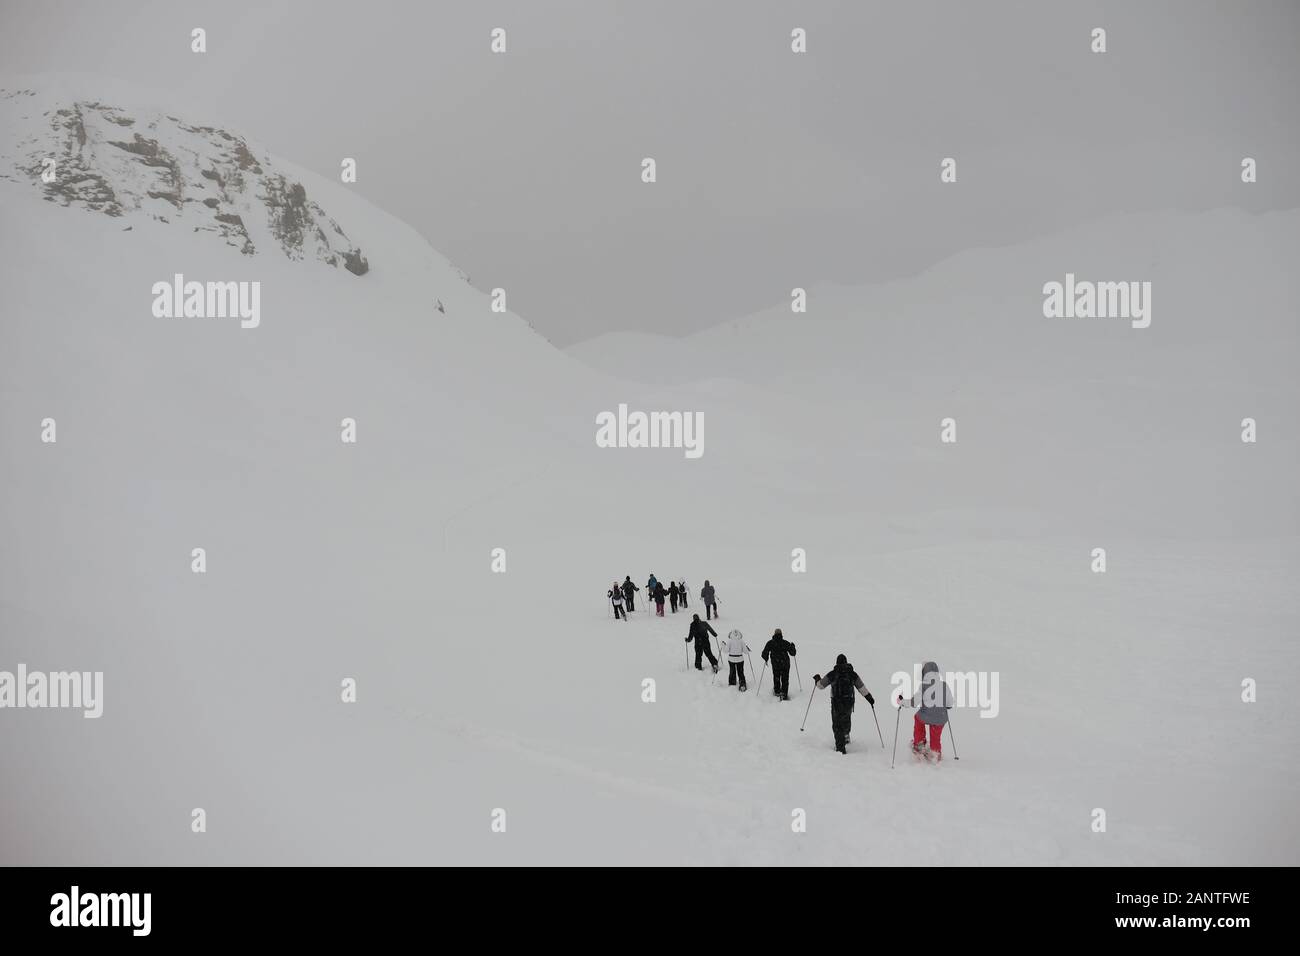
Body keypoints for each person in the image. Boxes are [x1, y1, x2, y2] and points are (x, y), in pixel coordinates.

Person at [813, 654, 874, 754]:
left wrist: (817, 680)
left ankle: (840, 748)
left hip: (836, 702)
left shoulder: (833, 674)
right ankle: (846, 735)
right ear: (846, 662)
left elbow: (820, 686)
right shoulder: (852, 674)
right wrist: (869, 698)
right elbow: (861, 688)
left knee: (837, 724)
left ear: (837, 662)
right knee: (846, 719)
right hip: (848, 702)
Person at [897, 661, 952, 762]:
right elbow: (950, 703)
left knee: (918, 718)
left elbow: (914, 702)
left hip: (925, 715)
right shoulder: (944, 685)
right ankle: (935, 753)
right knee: (936, 733)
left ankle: (919, 744)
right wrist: (946, 707)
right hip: (941, 717)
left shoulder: (924, 686)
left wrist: (903, 702)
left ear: (924, 673)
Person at [760, 628, 797, 701]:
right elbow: (793, 653)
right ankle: (784, 693)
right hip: (785, 664)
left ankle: (777, 691)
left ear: (774, 634)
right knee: (785, 679)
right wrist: (792, 646)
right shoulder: (785, 643)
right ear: (781, 634)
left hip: (775, 664)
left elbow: (764, 653)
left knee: (776, 677)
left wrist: (766, 658)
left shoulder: (770, 643)